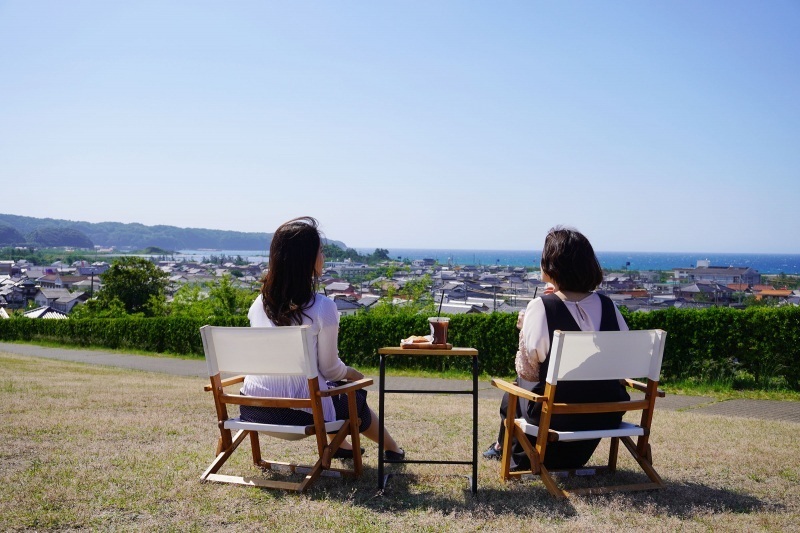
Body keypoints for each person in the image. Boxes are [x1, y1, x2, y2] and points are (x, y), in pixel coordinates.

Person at [239, 216, 404, 461]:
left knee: (330, 392)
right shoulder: (322, 307)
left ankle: (343, 446)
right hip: (299, 415)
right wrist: (351, 373)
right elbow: (330, 369)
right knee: (354, 396)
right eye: (321, 251)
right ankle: (393, 449)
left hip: (251, 408)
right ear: (308, 259)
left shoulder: (259, 304)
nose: (323, 257)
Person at [484, 226, 630, 470]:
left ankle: (507, 448)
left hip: (556, 416)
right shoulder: (608, 306)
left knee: (514, 389)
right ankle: (508, 448)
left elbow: (528, 370)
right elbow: (621, 358)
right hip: (606, 413)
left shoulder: (541, 307)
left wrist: (524, 327)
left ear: (551, 264)